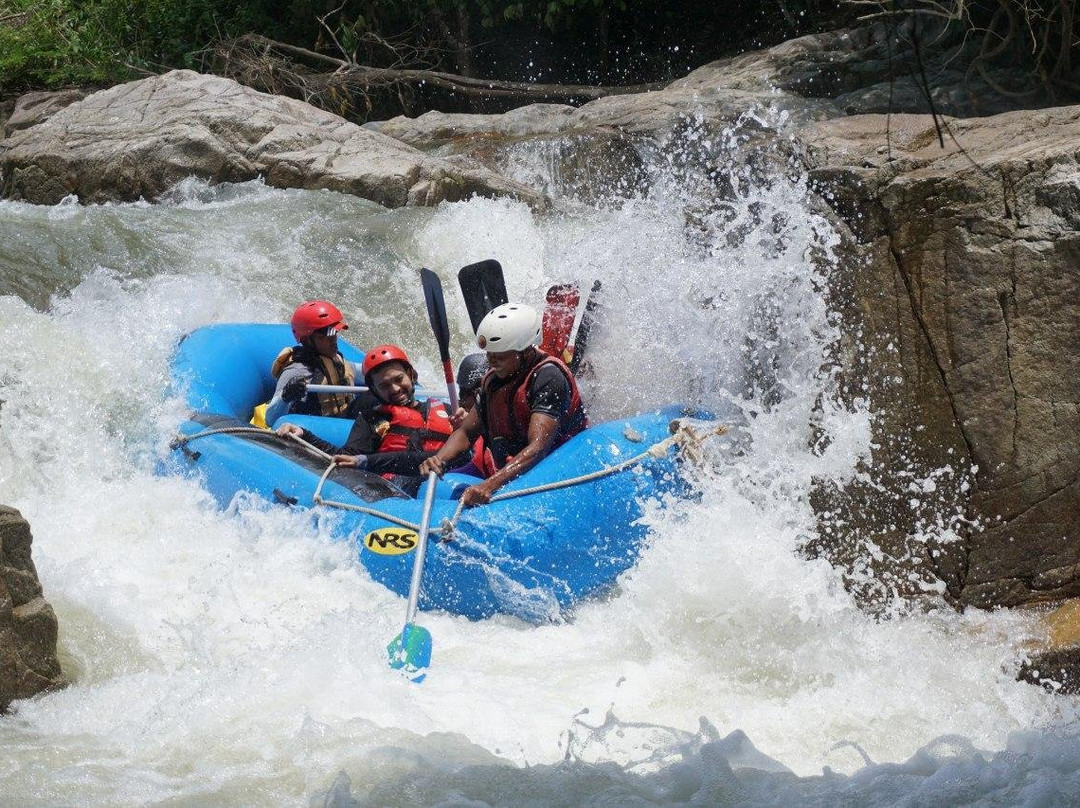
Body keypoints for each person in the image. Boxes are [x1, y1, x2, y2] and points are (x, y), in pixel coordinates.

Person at [420, 303, 587, 506]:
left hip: (554, 469)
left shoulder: (548, 377)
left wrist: (489, 485)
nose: (492, 361)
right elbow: (465, 432)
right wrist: (439, 460)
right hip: (513, 468)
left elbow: (539, 446)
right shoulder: (492, 380)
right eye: (490, 354)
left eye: (500, 355)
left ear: (525, 351)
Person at [276, 344, 463, 492]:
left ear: (411, 375)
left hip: (451, 483)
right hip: (397, 490)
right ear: (374, 391)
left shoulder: (448, 411)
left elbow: (466, 453)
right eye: (385, 385)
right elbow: (346, 458)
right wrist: (305, 435)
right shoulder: (373, 420)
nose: (395, 389)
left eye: (399, 379)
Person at [263, 300, 361, 426]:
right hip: (316, 429)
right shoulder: (297, 371)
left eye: (334, 333)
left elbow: (366, 372)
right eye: (325, 336)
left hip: (343, 423)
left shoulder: (336, 361)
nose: (333, 340)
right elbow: (270, 420)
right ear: (307, 340)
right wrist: (285, 397)